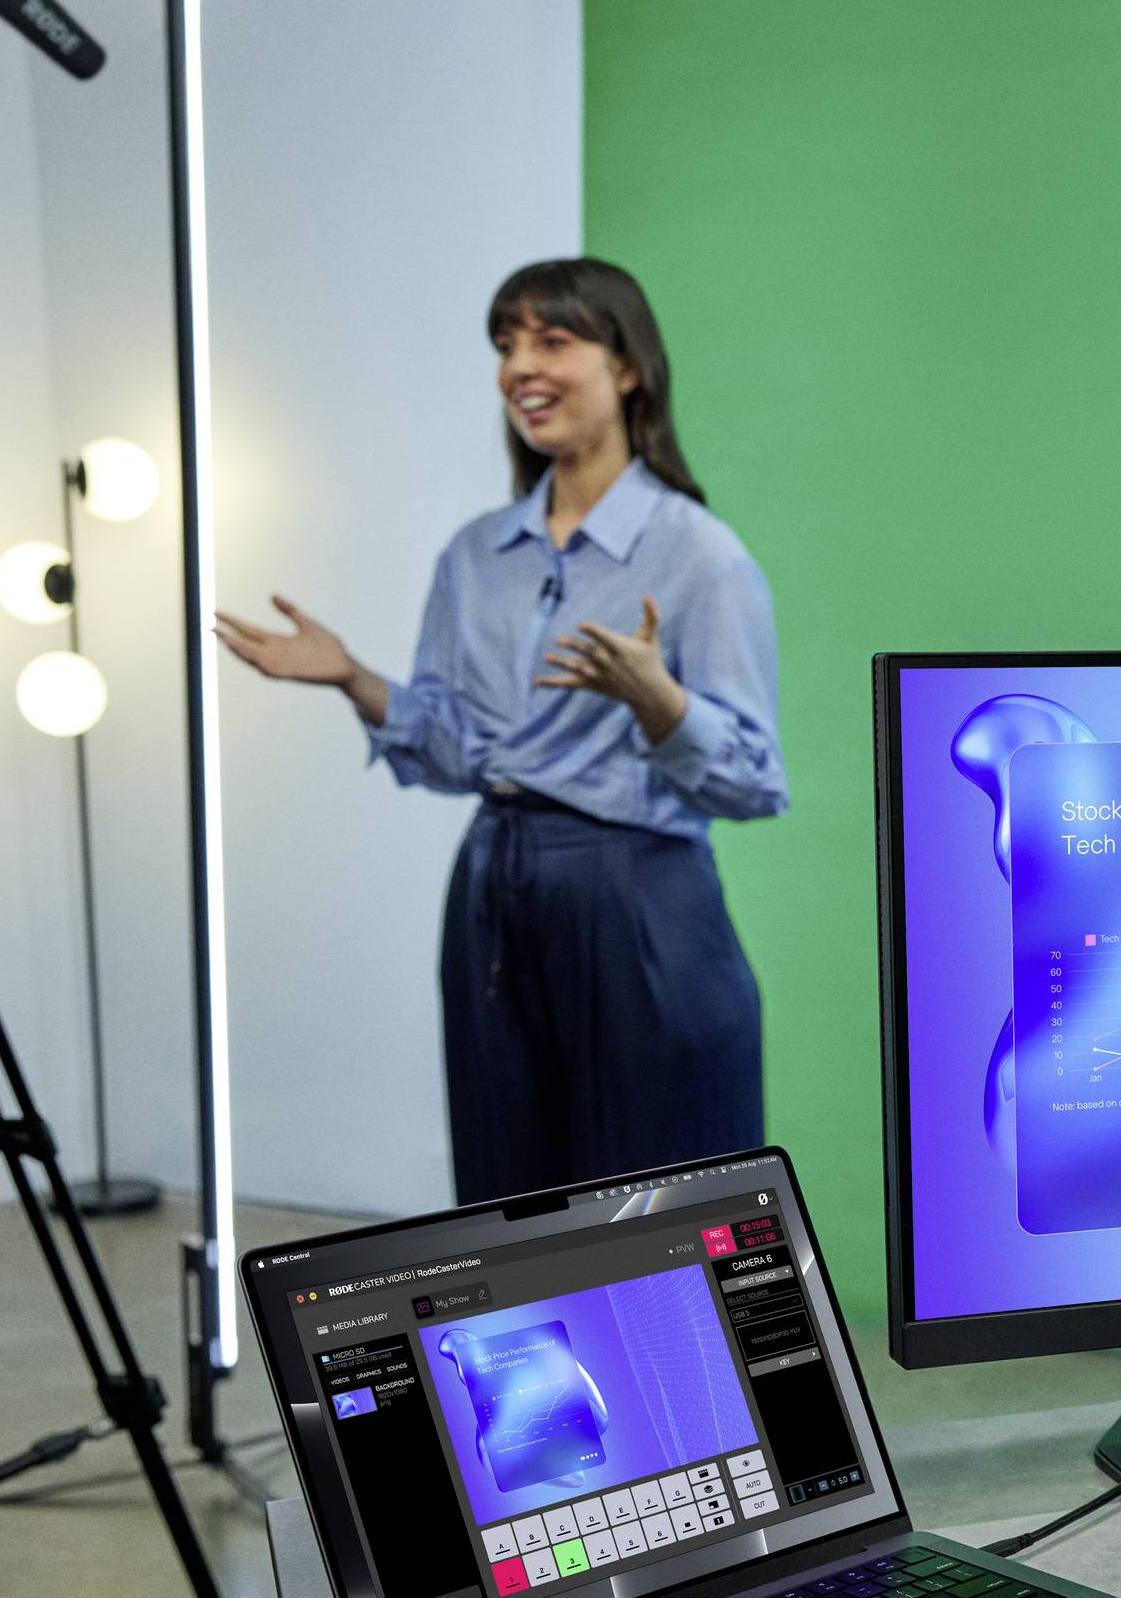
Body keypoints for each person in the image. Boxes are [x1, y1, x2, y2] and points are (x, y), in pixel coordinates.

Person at [216, 258, 786, 1203]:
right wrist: (357, 680)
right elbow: (454, 752)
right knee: (512, 1197)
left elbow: (756, 783)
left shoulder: (700, 556)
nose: (519, 365)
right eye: (506, 344)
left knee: (656, 1206)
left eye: (553, 340)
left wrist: (660, 701)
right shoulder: (476, 556)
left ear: (628, 366)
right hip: (493, 894)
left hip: (638, 900)